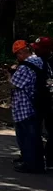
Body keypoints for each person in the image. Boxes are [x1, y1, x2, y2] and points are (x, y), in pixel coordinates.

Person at [9, 40, 47, 174]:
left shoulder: (25, 67)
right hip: (36, 104)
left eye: (17, 54)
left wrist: (11, 73)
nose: (17, 57)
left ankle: (30, 164)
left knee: (27, 138)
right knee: (34, 137)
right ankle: (36, 162)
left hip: (25, 107)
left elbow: (14, 84)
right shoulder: (40, 61)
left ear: (22, 52)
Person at [31, 37, 53, 167]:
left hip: (49, 101)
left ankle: (48, 158)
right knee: (34, 130)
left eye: (39, 49)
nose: (36, 51)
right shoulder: (36, 61)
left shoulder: (49, 62)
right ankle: (34, 157)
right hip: (39, 100)